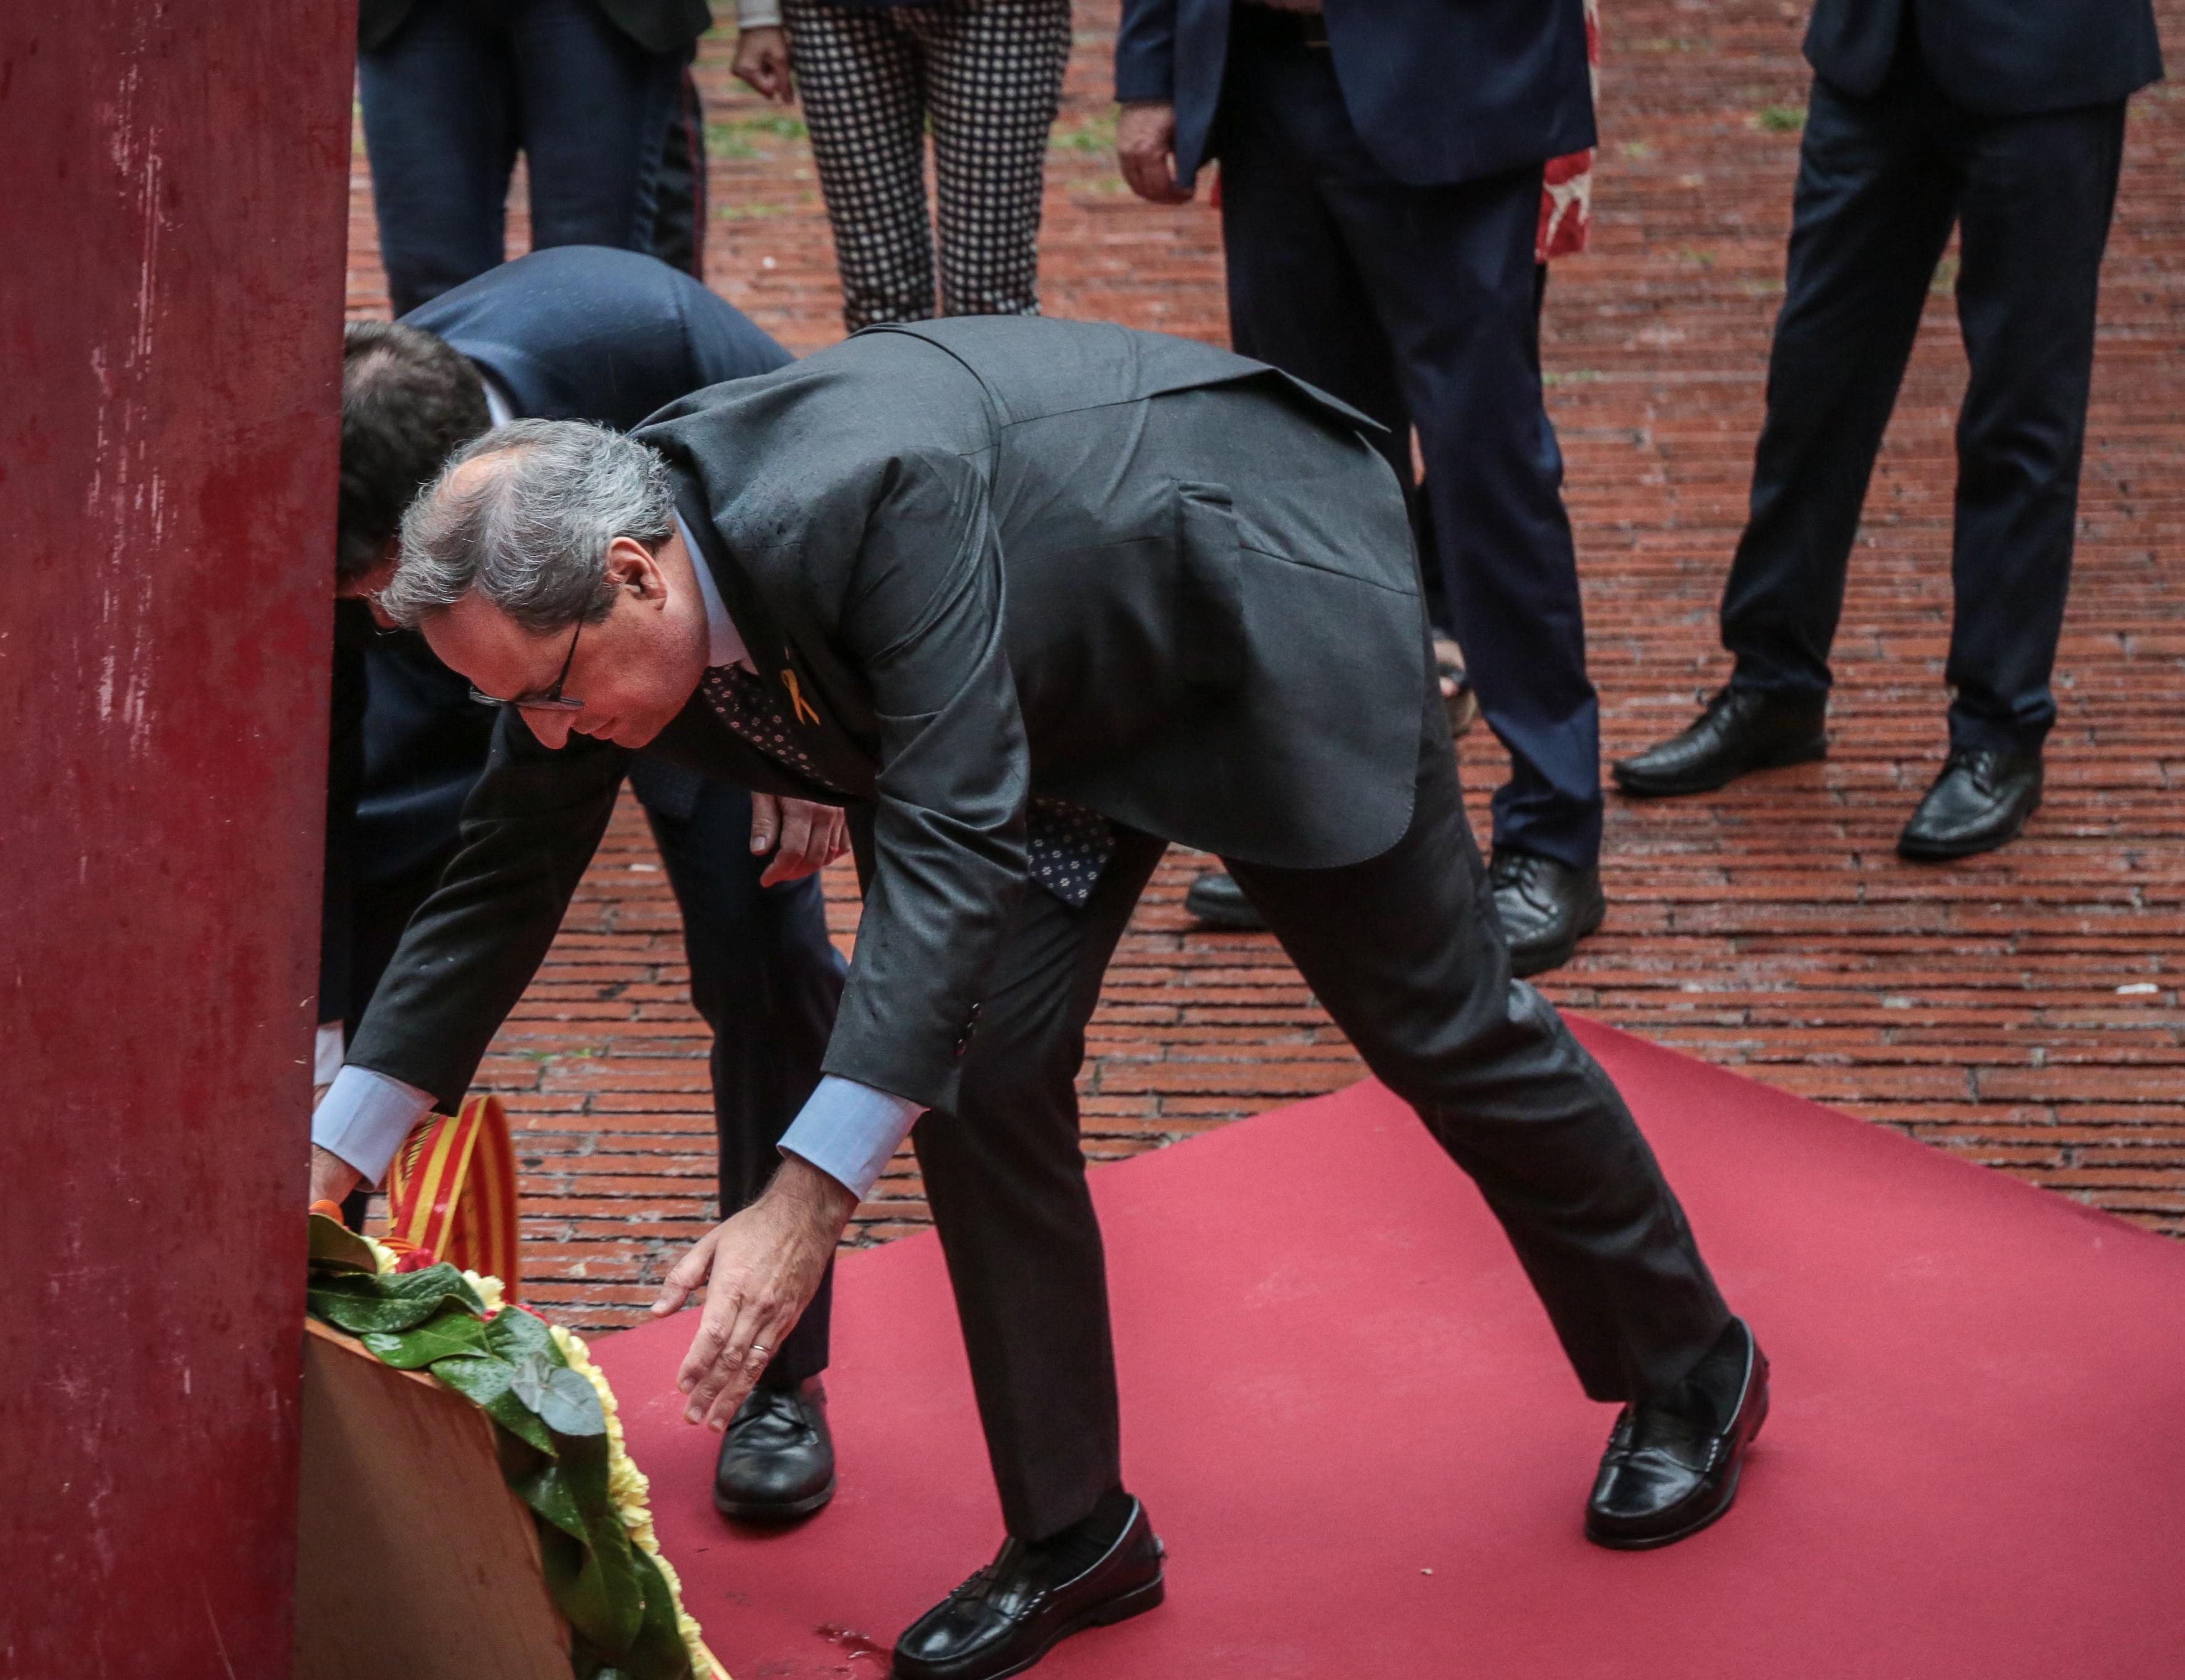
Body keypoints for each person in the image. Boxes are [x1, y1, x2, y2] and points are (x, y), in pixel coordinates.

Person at [314, 317, 1772, 1680]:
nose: (556, 735)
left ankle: (1691, 1364)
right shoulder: (581, 620)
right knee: (983, 1072)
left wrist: (806, 1191)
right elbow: (498, 872)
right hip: (1025, 687)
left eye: (557, 694)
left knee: (1436, 1021)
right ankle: (1074, 1534)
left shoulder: (865, 498)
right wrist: (336, 1152)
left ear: (635, 573)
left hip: (1239, 608)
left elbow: (949, 842)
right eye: (521, 711)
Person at [322, 247, 854, 1523]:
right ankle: (348, 1285)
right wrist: (326, 1037)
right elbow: (325, 746)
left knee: (759, 955)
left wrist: (818, 736)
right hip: (491, 662)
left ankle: (778, 1371)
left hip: (697, 647)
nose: (370, 615)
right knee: (396, 942)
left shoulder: (642, 325)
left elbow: (816, 493)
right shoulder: (347, 436)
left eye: (379, 592)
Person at [1113, 0, 1608, 975]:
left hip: (1453, 79)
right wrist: (1151, 70)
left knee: (1485, 471)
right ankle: (1344, 833)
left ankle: (1552, 832)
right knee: (1304, 468)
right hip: (1261, 82)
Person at [1612, 0, 2162, 860]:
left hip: (2047, 58)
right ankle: (1774, 687)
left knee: (2019, 415)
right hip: (1874, 52)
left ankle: (1997, 732)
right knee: (1813, 382)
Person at [729, 0, 1075, 332]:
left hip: (1005, 12)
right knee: (878, 296)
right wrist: (757, 15)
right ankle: (890, 391)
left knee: (989, 295)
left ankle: (992, 391)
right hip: (830, 14)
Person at [357, 0, 716, 317]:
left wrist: (758, 17)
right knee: (433, 287)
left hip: (606, 12)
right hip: (410, 12)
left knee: (592, 280)